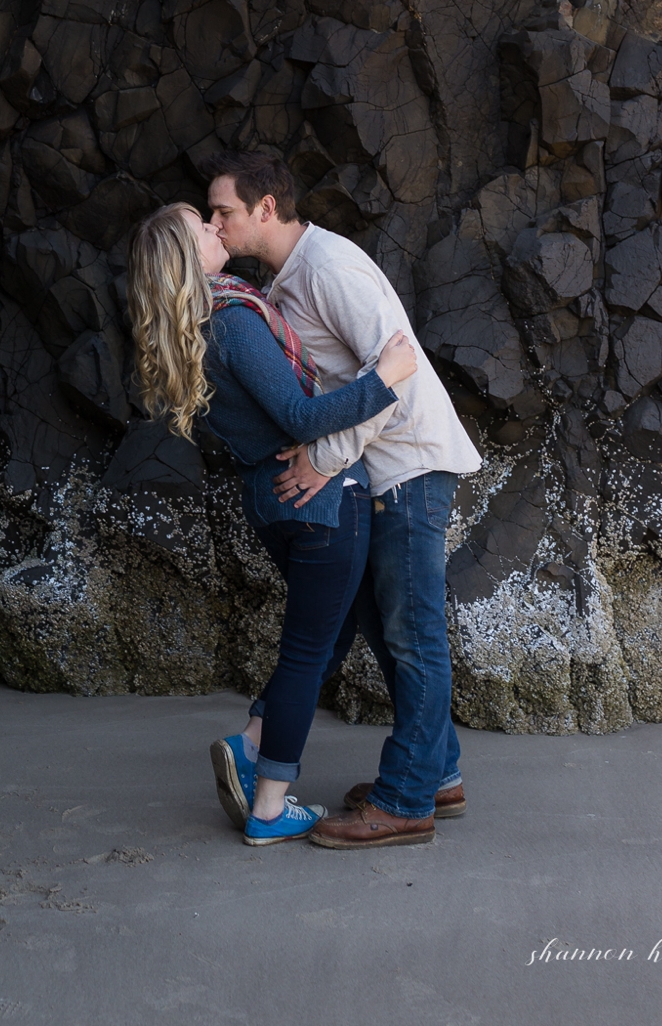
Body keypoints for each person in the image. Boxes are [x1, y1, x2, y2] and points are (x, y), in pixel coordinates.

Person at [203, 151, 483, 851]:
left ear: (265, 208)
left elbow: (400, 369)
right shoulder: (288, 279)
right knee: (391, 630)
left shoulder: (329, 269)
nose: (216, 222)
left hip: (408, 467)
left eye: (224, 212)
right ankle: (437, 772)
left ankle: (408, 800)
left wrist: (325, 459)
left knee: (412, 637)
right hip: (379, 470)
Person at [127, 203, 420, 845]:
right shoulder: (229, 320)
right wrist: (386, 380)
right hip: (317, 503)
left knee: (332, 628)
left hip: (268, 498)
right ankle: (268, 804)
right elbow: (299, 415)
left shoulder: (196, 331)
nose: (214, 227)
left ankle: (255, 739)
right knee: (308, 650)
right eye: (200, 227)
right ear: (185, 255)